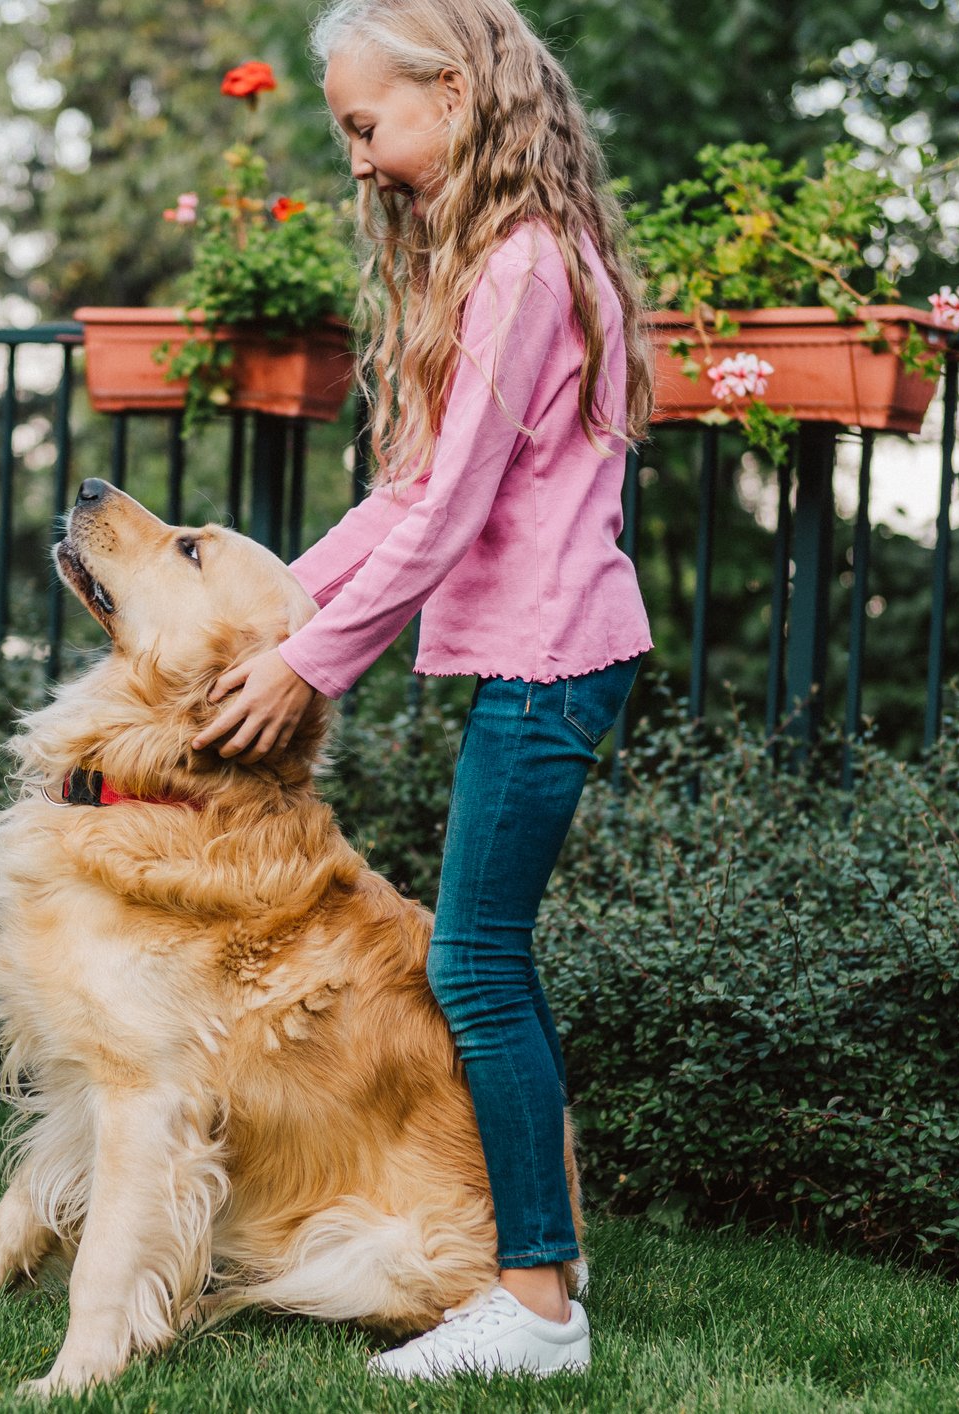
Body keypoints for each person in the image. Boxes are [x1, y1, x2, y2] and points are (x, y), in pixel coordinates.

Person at [191, 0, 657, 1379]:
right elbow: (405, 495)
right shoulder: (519, 256)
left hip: (553, 656)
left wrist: (307, 663)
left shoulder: (521, 266)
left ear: (453, 94)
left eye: (365, 123)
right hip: (550, 653)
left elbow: (447, 519)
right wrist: (281, 601)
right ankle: (542, 1273)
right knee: (483, 958)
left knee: (471, 963)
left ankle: (536, 1307)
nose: (358, 159)